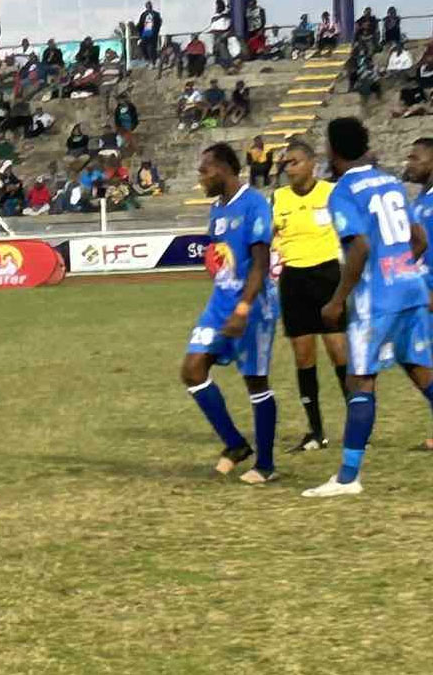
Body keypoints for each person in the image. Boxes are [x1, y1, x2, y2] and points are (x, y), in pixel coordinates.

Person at [302, 119, 433, 498]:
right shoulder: (389, 181)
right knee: (421, 372)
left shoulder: (343, 191)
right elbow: (419, 239)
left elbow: (359, 247)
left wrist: (337, 299)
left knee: (360, 381)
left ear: (334, 150)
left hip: (376, 300)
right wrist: (402, 269)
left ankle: (347, 478)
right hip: (411, 290)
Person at [181, 142, 278, 483]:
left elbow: (261, 262)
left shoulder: (255, 204)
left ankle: (265, 465)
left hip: (253, 304)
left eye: (204, 171)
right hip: (220, 302)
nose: (201, 178)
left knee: (256, 381)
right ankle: (236, 445)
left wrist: (244, 307)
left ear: (223, 169)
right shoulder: (217, 209)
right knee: (193, 369)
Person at [270, 139, 350, 453]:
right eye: (286, 164)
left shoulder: (332, 193)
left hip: (327, 277)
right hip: (293, 280)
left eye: (295, 162)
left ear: (312, 163)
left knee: (338, 352)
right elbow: (269, 235)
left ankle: (358, 425)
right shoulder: (278, 197)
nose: (289, 169)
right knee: (303, 357)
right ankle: (316, 431)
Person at [405, 138, 433, 449]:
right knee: (417, 359)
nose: (409, 164)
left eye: (416, 158)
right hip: (421, 290)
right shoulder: (422, 198)